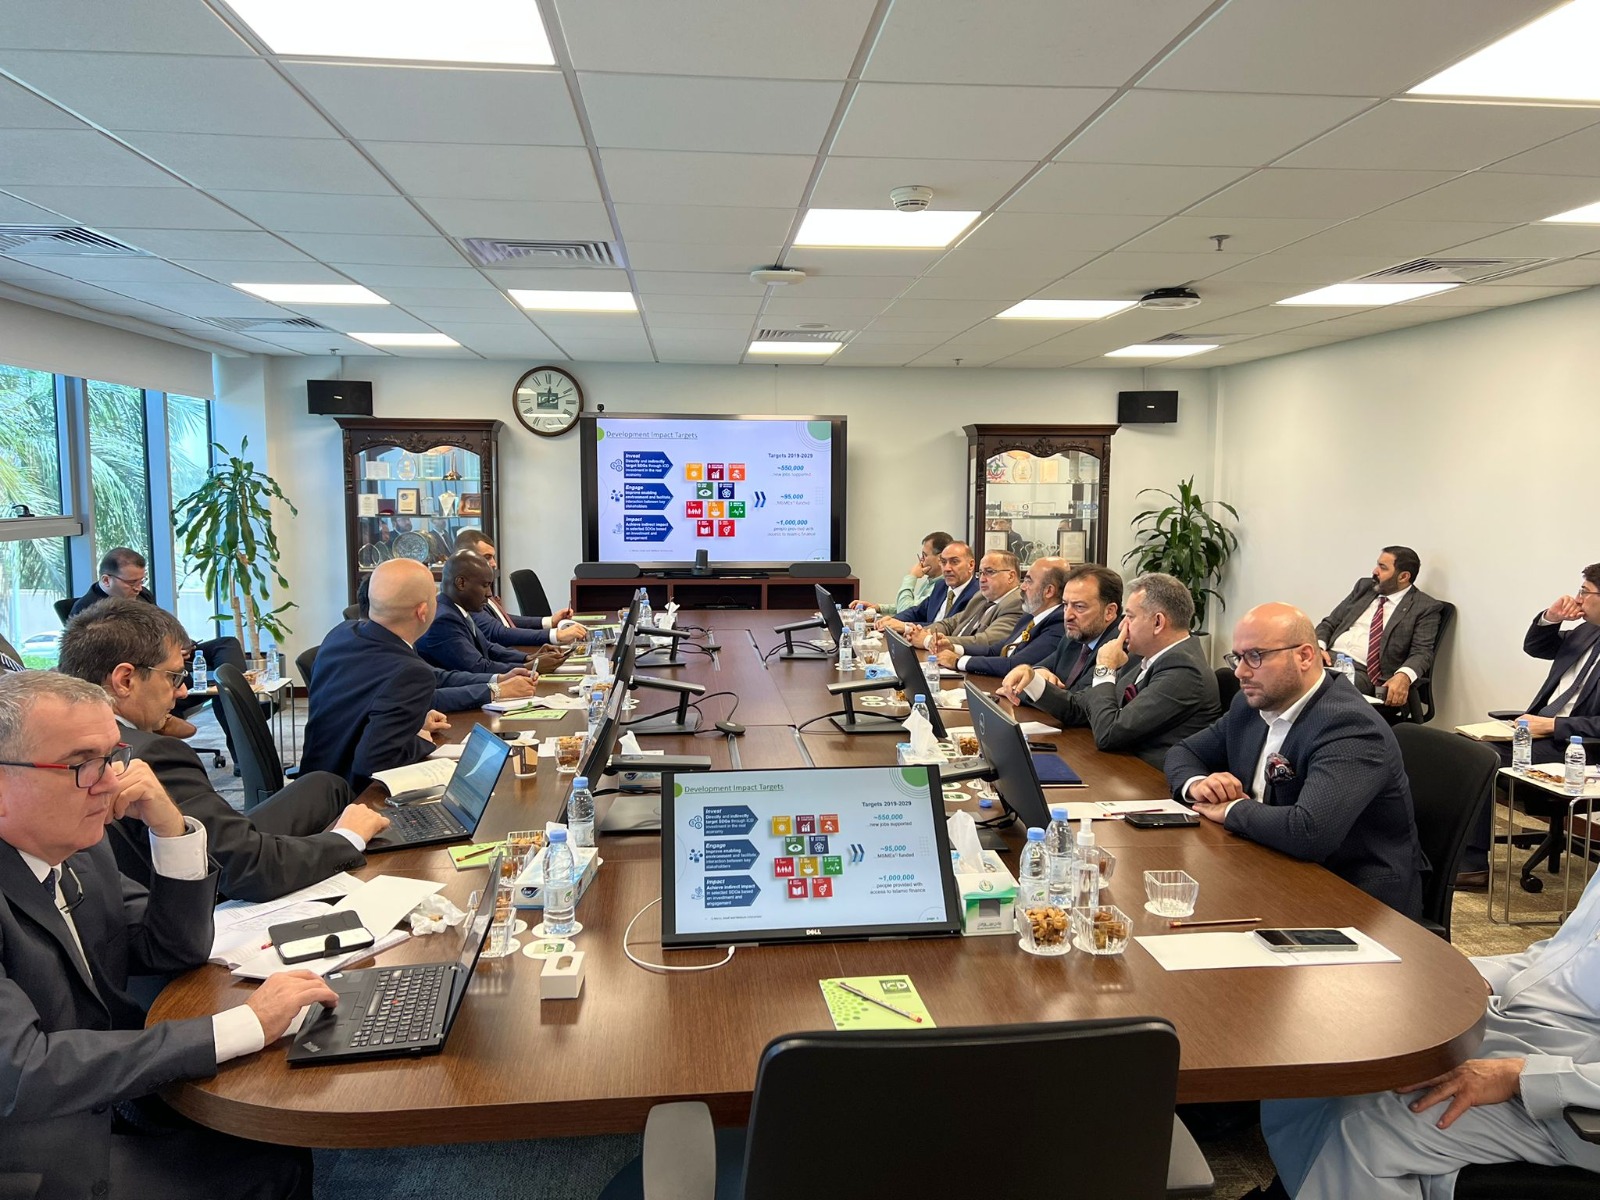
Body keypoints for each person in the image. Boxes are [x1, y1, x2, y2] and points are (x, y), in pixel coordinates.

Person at [0, 670, 335, 1200]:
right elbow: (23, 1072)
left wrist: (171, 830)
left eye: (113, 756)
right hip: (28, 1155)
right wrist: (241, 1024)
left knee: (274, 1139)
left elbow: (171, 947)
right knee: (272, 1169)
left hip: (104, 1096)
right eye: (81, 764)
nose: (111, 782)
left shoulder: (81, 848)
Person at [1256, 862, 1600, 1199]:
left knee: (1362, 1130)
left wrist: (1517, 1075)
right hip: (1523, 1024)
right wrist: (1475, 978)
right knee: (1317, 1068)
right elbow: (1563, 953)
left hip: (1570, 1089)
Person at [58, 598, 388, 901]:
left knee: (324, 785)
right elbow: (247, 870)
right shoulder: (153, 754)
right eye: (174, 677)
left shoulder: (60, 743)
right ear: (125, 680)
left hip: (162, 866)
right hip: (197, 896)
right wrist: (346, 838)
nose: (182, 692)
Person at [1165, 602, 1426, 917]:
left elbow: (1310, 832)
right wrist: (1199, 785)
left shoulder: (1350, 726)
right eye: (1238, 657)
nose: (1240, 672)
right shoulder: (1251, 704)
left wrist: (1232, 809)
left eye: (1256, 656)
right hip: (1268, 862)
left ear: (1304, 656)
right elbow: (1185, 752)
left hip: (1353, 897)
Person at [1457, 566, 1600, 889]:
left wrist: (1553, 725)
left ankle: (1472, 865)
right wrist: (1551, 618)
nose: (1578, 598)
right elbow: (1536, 647)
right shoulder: (1586, 631)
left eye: (1585, 591)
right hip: (1539, 733)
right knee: (1456, 749)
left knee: (1481, 759)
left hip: (1582, 748)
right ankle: (1447, 850)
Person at [1001, 573, 1220, 769]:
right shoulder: (1146, 658)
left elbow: (1109, 733)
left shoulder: (1184, 669)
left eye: (1130, 617)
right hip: (1119, 767)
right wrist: (1032, 681)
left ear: (1158, 622)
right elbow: (1080, 708)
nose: (1122, 625)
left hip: (1150, 782)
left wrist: (1105, 669)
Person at [69, 546, 248, 743]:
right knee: (205, 684)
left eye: (141, 581)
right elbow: (112, 658)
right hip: (145, 665)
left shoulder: (142, 595)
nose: (138, 588)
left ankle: (238, 692)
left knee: (226, 645)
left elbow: (161, 627)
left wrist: (178, 646)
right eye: (132, 583)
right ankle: (169, 718)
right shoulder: (88, 612)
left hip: (165, 654)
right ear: (106, 580)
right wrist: (168, 653)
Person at [299, 559, 451, 790]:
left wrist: (408, 724)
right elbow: (375, 763)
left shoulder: (341, 633)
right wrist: (419, 739)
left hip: (312, 786)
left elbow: (357, 709)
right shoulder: (411, 672)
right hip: (353, 797)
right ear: (422, 611)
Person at [1314, 546, 1444, 710]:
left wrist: (1404, 675)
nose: (1375, 571)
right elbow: (1330, 622)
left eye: (1383, 568)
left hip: (1363, 672)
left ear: (1403, 576)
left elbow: (1422, 652)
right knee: (1286, 671)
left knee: (1316, 687)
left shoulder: (1424, 607)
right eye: (1378, 565)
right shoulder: (1364, 588)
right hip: (1327, 659)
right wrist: (1317, 647)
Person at [931, 558, 1068, 678]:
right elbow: (995, 650)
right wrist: (954, 648)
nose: (1022, 587)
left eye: (1028, 581)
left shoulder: (1059, 623)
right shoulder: (1030, 616)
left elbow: (1015, 664)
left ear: (1049, 591)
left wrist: (958, 662)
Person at [415, 552, 543, 676]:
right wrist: (529, 667)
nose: (489, 593)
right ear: (461, 583)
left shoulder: (456, 609)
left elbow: (487, 647)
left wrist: (528, 657)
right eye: (485, 585)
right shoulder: (443, 620)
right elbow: (477, 667)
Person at [453, 529, 586, 649]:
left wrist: (549, 621)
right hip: (511, 654)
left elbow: (503, 620)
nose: (494, 564)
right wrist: (556, 635)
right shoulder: (468, 596)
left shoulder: (481, 588)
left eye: (493, 557)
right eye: (487, 557)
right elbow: (498, 632)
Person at [915, 550, 1023, 651]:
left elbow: (987, 641)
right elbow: (950, 623)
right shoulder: (981, 597)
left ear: (1010, 576)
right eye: (981, 573)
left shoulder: (1017, 603)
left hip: (971, 661)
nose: (982, 579)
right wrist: (920, 632)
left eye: (989, 572)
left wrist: (930, 640)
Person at [877, 541, 979, 633]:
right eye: (943, 562)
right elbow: (917, 611)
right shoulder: (941, 585)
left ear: (970, 565)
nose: (947, 568)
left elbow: (947, 628)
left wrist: (905, 626)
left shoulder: (977, 595)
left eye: (954, 562)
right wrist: (893, 620)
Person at [852, 531, 953, 615]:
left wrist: (911, 576)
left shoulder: (943, 586)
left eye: (924, 556)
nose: (921, 560)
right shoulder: (931, 582)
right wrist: (878, 608)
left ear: (940, 558)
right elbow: (912, 607)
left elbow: (905, 611)